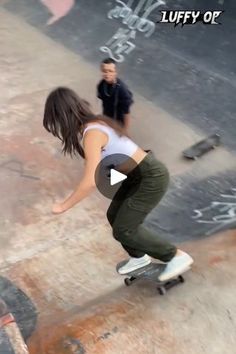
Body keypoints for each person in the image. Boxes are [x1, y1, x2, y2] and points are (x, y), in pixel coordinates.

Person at [43, 87, 193, 281]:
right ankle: (139, 257)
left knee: (124, 228)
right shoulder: (94, 126)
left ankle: (175, 256)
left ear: (64, 116)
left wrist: (64, 205)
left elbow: (90, 180)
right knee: (114, 215)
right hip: (134, 177)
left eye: (56, 123)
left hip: (150, 177)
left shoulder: (93, 133)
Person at [97, 58, 133, 130]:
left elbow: (127, 114)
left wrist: (124, 131)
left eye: (110, 71)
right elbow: (102, 102)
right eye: (105, 71)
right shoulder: (101, 85)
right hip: (107, 119)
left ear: (115, 72)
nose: (107, 74)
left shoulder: (122, 90)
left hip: (118, 123)